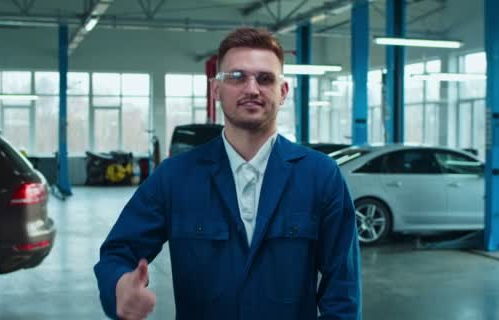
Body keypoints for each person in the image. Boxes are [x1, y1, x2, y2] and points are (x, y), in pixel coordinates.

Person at [94, 27, 361, 320]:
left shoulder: (320, 175)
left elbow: (343, 291)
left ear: (282, 92)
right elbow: (119, 252)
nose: (251, 88)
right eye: (237, 77)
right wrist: (119, 285)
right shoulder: (175, 177)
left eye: (265, 78)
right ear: (215, 90)